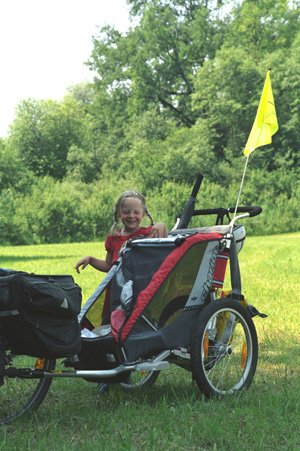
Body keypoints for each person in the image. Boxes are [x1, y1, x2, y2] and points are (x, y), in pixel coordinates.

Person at [75, 190, 167, 274]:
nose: (131, 216)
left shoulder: (149, 234)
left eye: (136, 212)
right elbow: (109, 266)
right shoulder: (113, 238)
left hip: (141, 287)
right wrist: (91, 260)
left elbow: (165, 247)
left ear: (143, 214)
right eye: (126, 212)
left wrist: (161, 225)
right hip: (118, 288)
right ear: (118, 214)